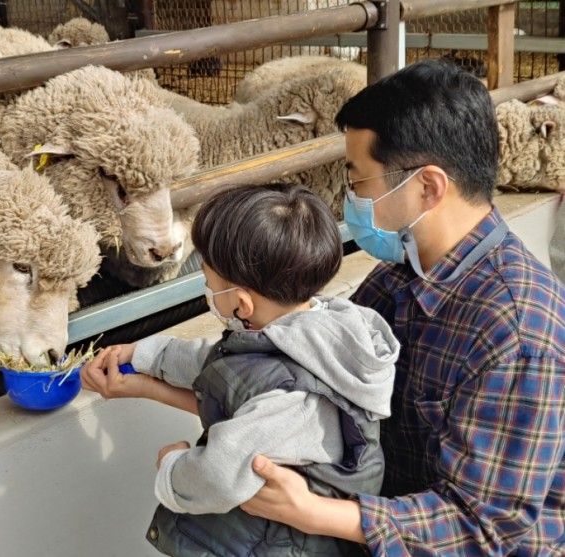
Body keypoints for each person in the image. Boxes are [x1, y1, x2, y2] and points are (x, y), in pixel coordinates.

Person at [240, 60, 565, 556]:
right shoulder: (400, 274)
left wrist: (314, 511)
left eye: (359, 182)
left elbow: (487, 529)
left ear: (428, 187)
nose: (350, 201)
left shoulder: (518, 331)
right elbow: (325, 375)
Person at [82, 183, 400, 556]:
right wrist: (143, 355)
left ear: (242, 303)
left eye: (208, 283)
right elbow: (223, 361)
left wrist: (172, 466)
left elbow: (219, 476)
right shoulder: (308, 330)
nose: (206, 290)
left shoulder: (293, 402)